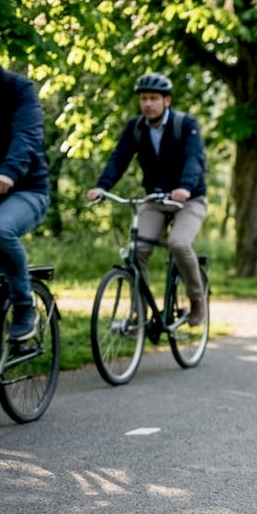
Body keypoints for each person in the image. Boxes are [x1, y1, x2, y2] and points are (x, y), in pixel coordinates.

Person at [86, 72, 209, 326]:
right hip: (155, 199)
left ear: (167, 100)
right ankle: (139, 315)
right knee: (136, 251)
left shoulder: (185, 124)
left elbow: (194, 160)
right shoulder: (135, 128)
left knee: (178, 243)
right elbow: (118, 160)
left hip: (190, 200)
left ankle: (197, 298)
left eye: (153, 98)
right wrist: (101, 187)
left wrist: (185, 188)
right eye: (144, 99)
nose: (148, 104)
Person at [0, 21, 51, 341]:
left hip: (26, 189)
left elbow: (27, 136)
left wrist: (8, 173)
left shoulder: (18, 89)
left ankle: (24, 307)